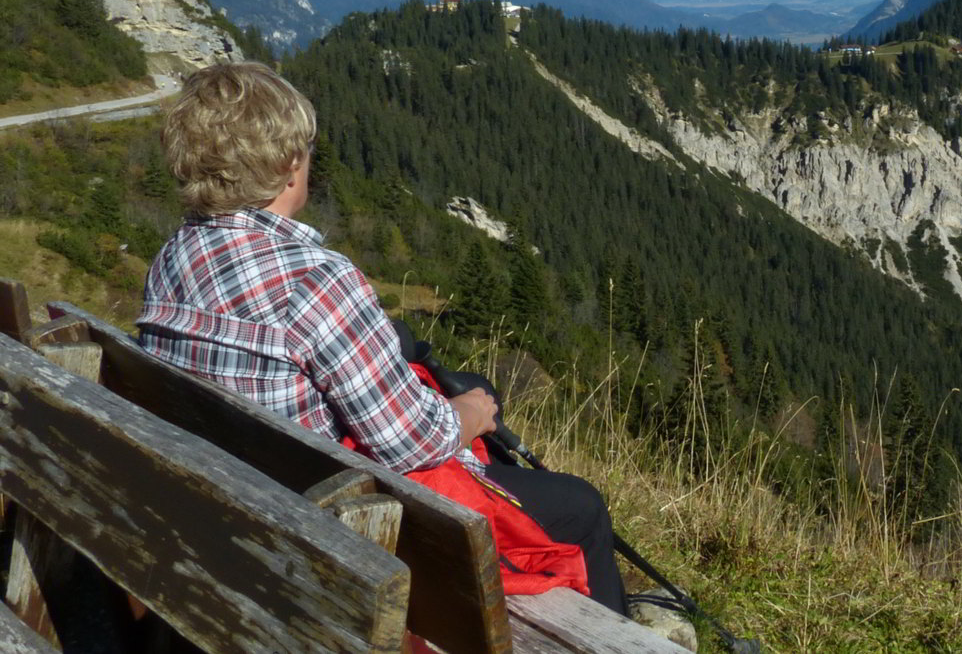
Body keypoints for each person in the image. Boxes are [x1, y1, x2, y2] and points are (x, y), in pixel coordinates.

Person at [137, 62, 625, 613]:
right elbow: (408, 441)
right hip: (324, 532)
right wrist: (470, 415)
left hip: (226, 502)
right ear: (287, 164)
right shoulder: (313, 278)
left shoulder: (175, 256)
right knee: (580, 506)